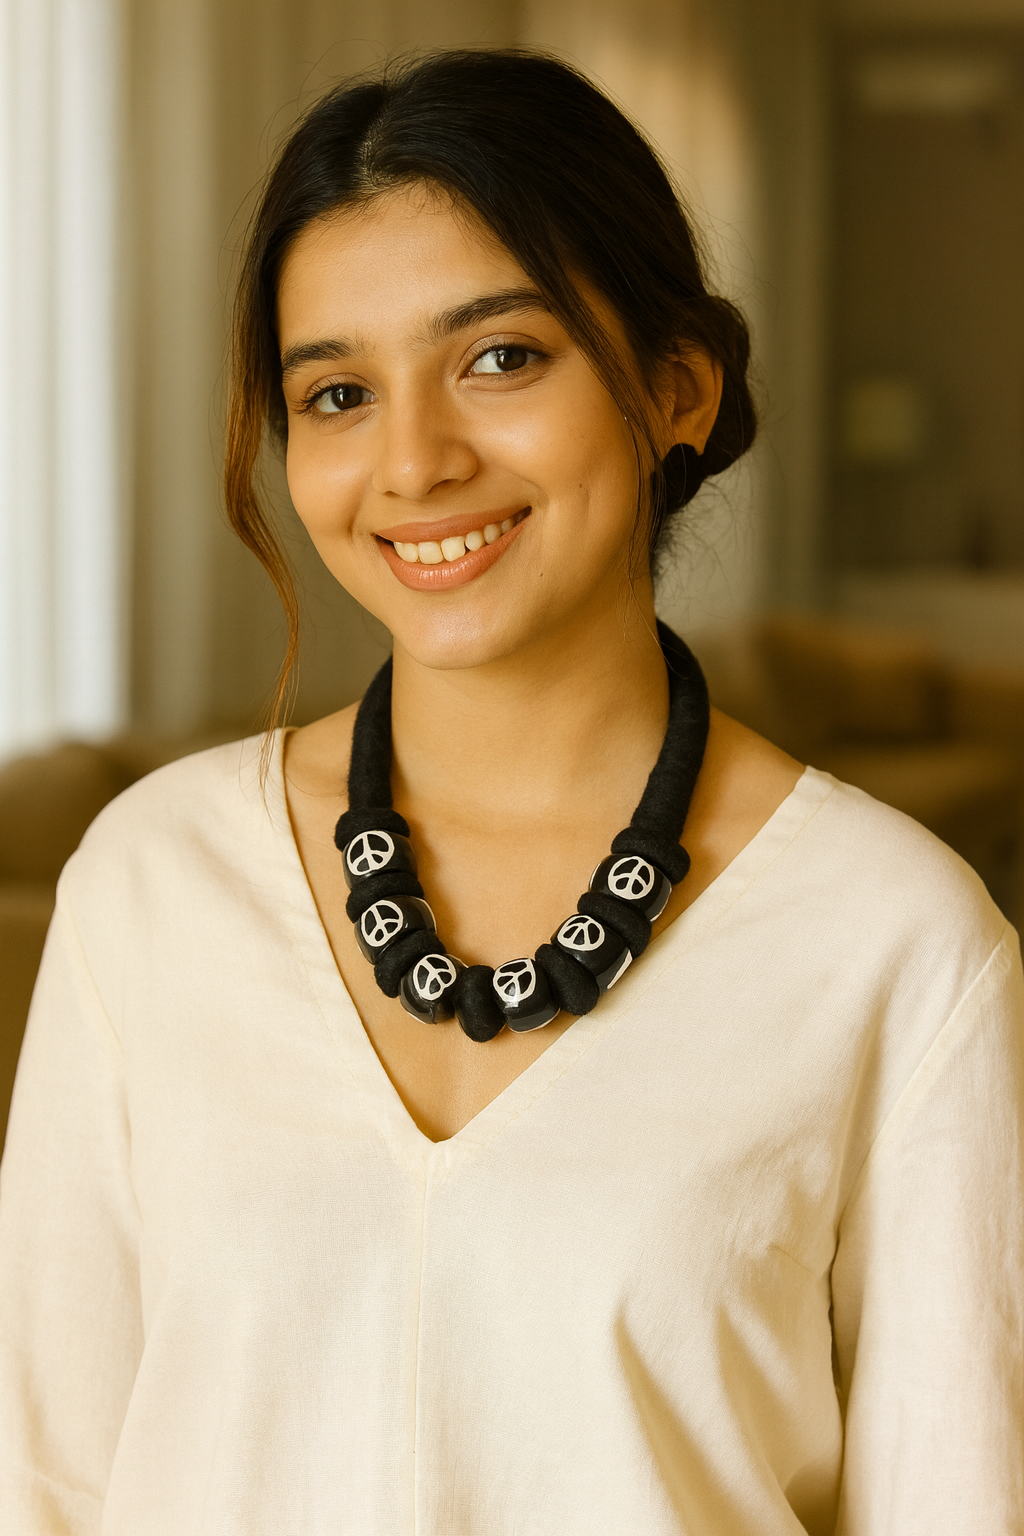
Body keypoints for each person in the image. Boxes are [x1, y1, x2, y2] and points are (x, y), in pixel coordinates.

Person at [0, 48, 1021, 1536]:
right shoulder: (147, 889)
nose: (414, 461)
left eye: (499, 358)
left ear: (677, 386)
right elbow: (45, 1482)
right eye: (338, 393)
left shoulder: (900, 946)